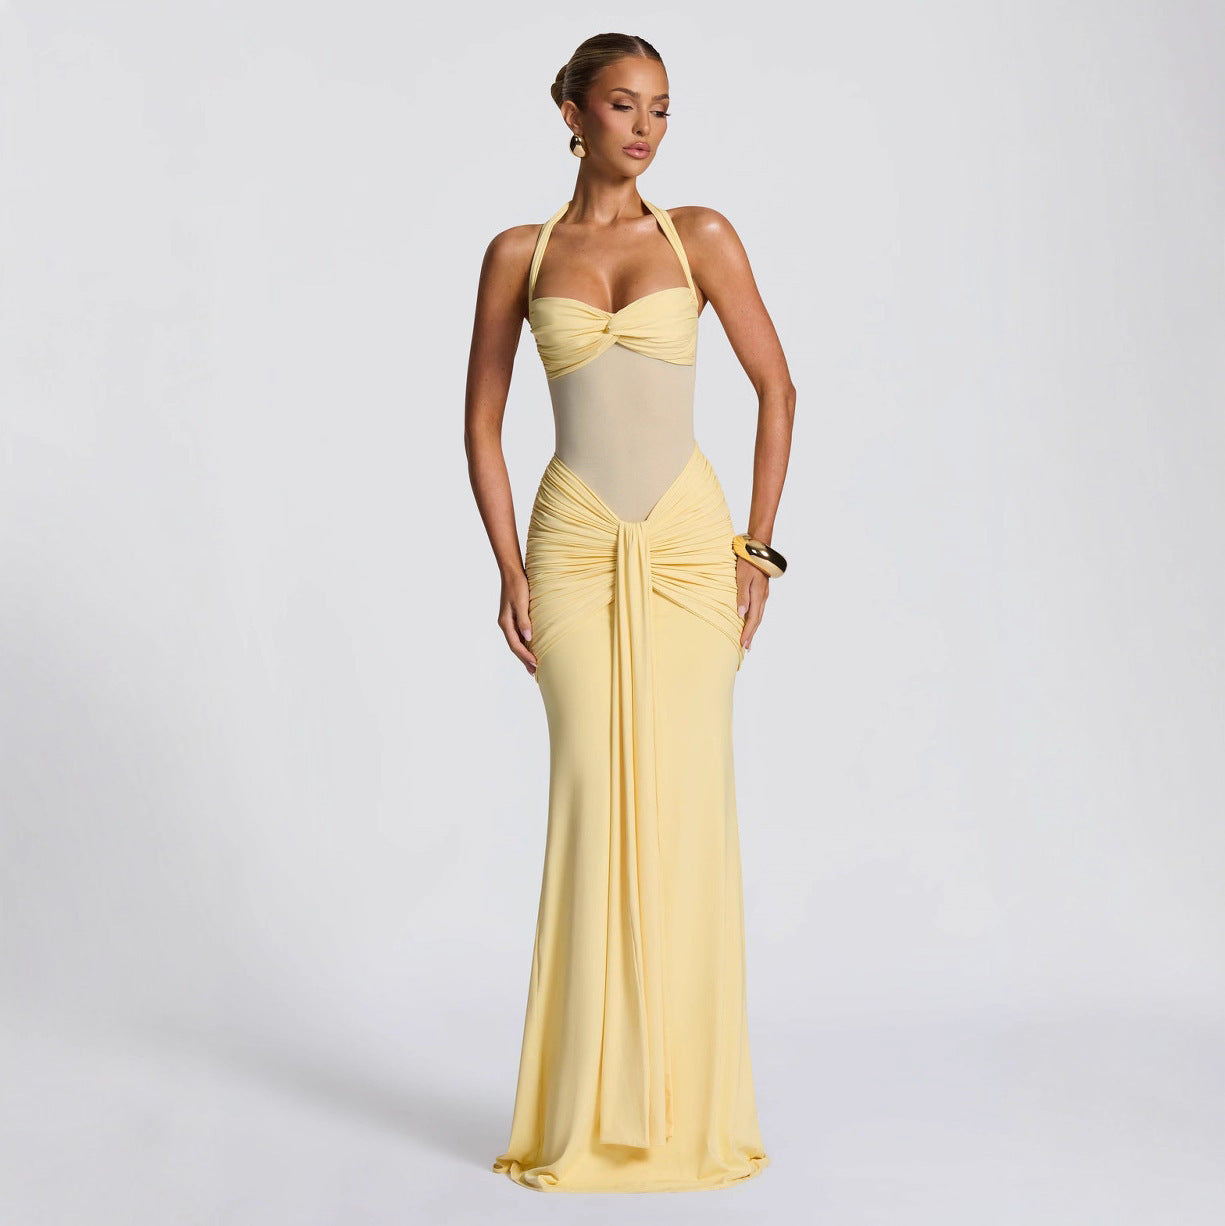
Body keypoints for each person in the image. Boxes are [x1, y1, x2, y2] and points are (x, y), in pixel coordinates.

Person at [464, 31, 796, 1193]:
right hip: (570, 546)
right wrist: (509, 568)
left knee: (688, 802)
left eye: (660, 107)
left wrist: (755, 551)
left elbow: (776, 387)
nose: (644, 127)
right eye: (621, 104)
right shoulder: (518, 252)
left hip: (690, 555)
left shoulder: (698, 236)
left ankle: (687, 1111)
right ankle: (583, 1113)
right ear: (570, 110)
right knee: (589, 800)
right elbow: (480, 423)